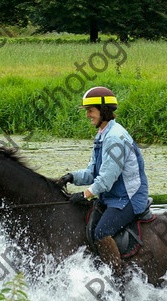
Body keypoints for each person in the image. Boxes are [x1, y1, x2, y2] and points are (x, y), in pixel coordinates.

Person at [57, 86, 149, 276]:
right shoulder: (102, 134)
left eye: (90, 111)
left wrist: (85, 194)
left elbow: (107, 177)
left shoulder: (115, 137)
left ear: (103, 110)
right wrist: (71, 177)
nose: (87, 115)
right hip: (113, 197)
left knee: (101, 232)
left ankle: (117, 277)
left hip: (128, 198)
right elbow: (93, 171)